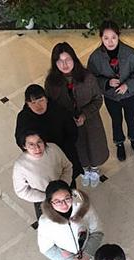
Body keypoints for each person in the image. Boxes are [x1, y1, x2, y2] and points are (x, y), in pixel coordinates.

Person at [45, 42, 109, 188]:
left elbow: (98, 99)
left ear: (74, 59)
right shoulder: (51, 83)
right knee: (77, 148)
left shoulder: (88, 77)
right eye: (60, 61)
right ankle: (84, 169)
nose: (64, 64)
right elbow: (51, 106)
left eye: (67, 59)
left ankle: (94, 169)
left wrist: (85, 114)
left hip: (90, 121)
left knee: (94, 146)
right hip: (68, 124)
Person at [37, 180, 103, 260]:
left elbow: (97, 231)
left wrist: (88, 254)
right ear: (50, 203)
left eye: (67, 198)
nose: (64, 204)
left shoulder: (84, 208)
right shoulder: (46, 222)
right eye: (57, 201)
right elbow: (46, 248)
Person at [88, 20, 134, 162]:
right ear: (101, 38)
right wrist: (107, 83)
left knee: (131, 119)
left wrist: (128, 85)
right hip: (111, 96)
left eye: (113, 37)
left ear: (118, 36)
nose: (110, 41)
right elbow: (91, 78)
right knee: (116, 120)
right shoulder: (95, 57)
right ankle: (119, 143)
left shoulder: (130, 53)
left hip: (130, 95)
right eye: (106, 38)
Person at [15, 84, 82, 186]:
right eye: (33, 103)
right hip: (40, 158)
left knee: (69, 181)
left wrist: (60, 152)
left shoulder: (58, 110)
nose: (38, 106)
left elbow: (72, 132)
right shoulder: (23, 118)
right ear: (27, 104)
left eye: (41, 100)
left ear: (46, 99)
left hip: (64, 153)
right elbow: (20, 140)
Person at [12, 131, 72, 220]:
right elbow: (21, 191)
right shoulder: (20, 165)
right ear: (24, 146)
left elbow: (67, 166)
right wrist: (48, 197)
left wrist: (62, 188)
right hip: (43, 200)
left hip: (65, 193)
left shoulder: (53, 149)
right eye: (31, 144)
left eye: (39, 142)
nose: (37, 148)